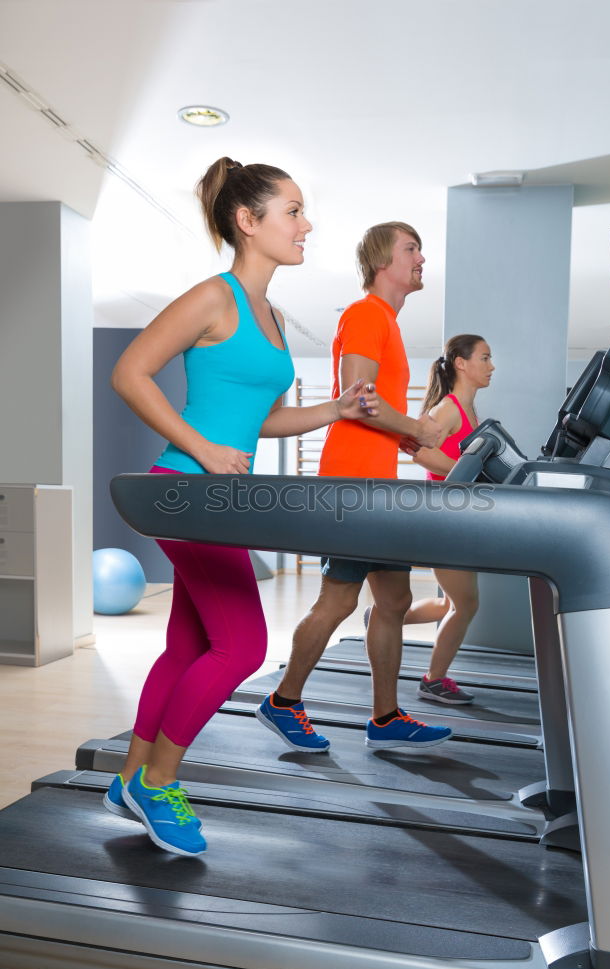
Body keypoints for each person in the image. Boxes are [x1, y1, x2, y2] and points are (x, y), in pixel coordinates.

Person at [105, 156, 380, 856]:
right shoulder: (213, 297)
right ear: (247, 221)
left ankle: (130, 775)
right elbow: (129, 372)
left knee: (191, 645)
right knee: (245, 646)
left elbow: (259, 420)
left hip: (221, 497)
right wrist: (202, 447)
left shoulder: (274, 317)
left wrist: (334, 408)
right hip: (186, 489)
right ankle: (159, 781)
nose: (306, 224)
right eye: (292, 211)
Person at [257, 221, 452, 754]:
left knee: (394, 597)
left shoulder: (385, 321)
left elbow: (377, 412)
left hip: (375, 478)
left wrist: (413, 441)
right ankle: (283, 700)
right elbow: (359, 399)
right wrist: (414, 427)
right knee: (339, 599)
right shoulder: (367, 314)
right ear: (381, 260)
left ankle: (385, 716)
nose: (421, 258)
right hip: (354, 483)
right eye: (411, 249)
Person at [403, 334, 495, 705]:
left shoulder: (472, 412)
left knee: (447, 604)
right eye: (485, 358)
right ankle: (434, 680)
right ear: (461, 363)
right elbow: (420, 453)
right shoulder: (450, 408)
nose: (491, 366)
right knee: (465, 605)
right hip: (442, 515)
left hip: (460, 516)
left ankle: (382, 619)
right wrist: (463, 472)